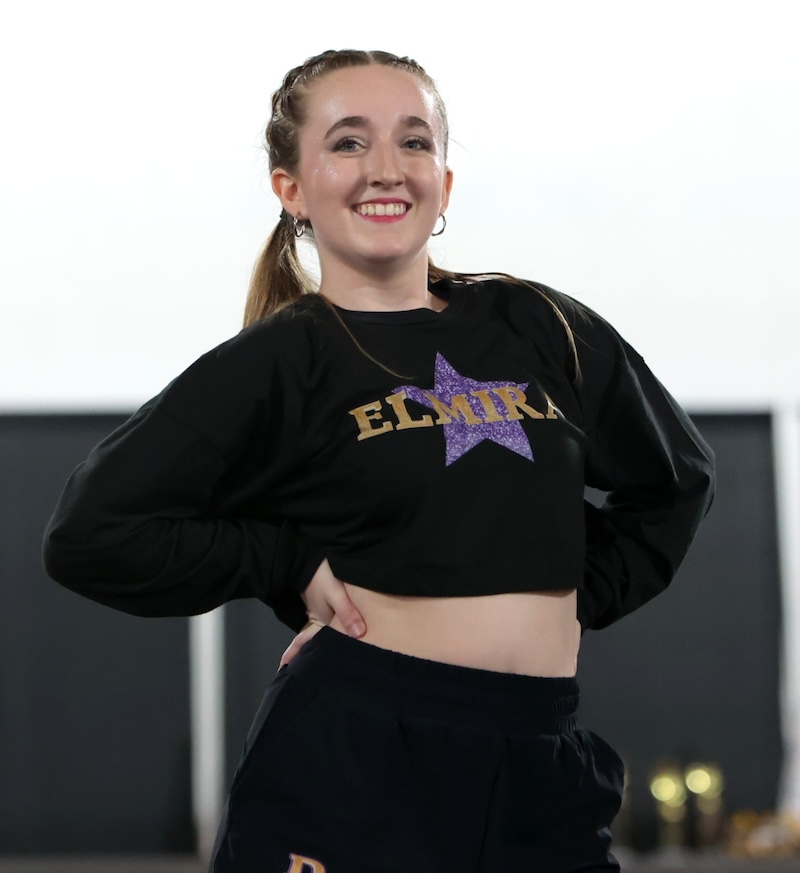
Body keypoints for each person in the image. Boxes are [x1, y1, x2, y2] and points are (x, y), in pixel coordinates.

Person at [42, 49, 715, 873]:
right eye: (349, 142)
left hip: (539, 757)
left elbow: (679, 479)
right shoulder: (280, 360)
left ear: (445, 182)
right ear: (291, 188)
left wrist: (578, 593)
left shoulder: (541, 324)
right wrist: (282, 560)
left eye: (414, 141)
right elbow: (90, 531)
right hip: (357, 754)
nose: (386, 168)